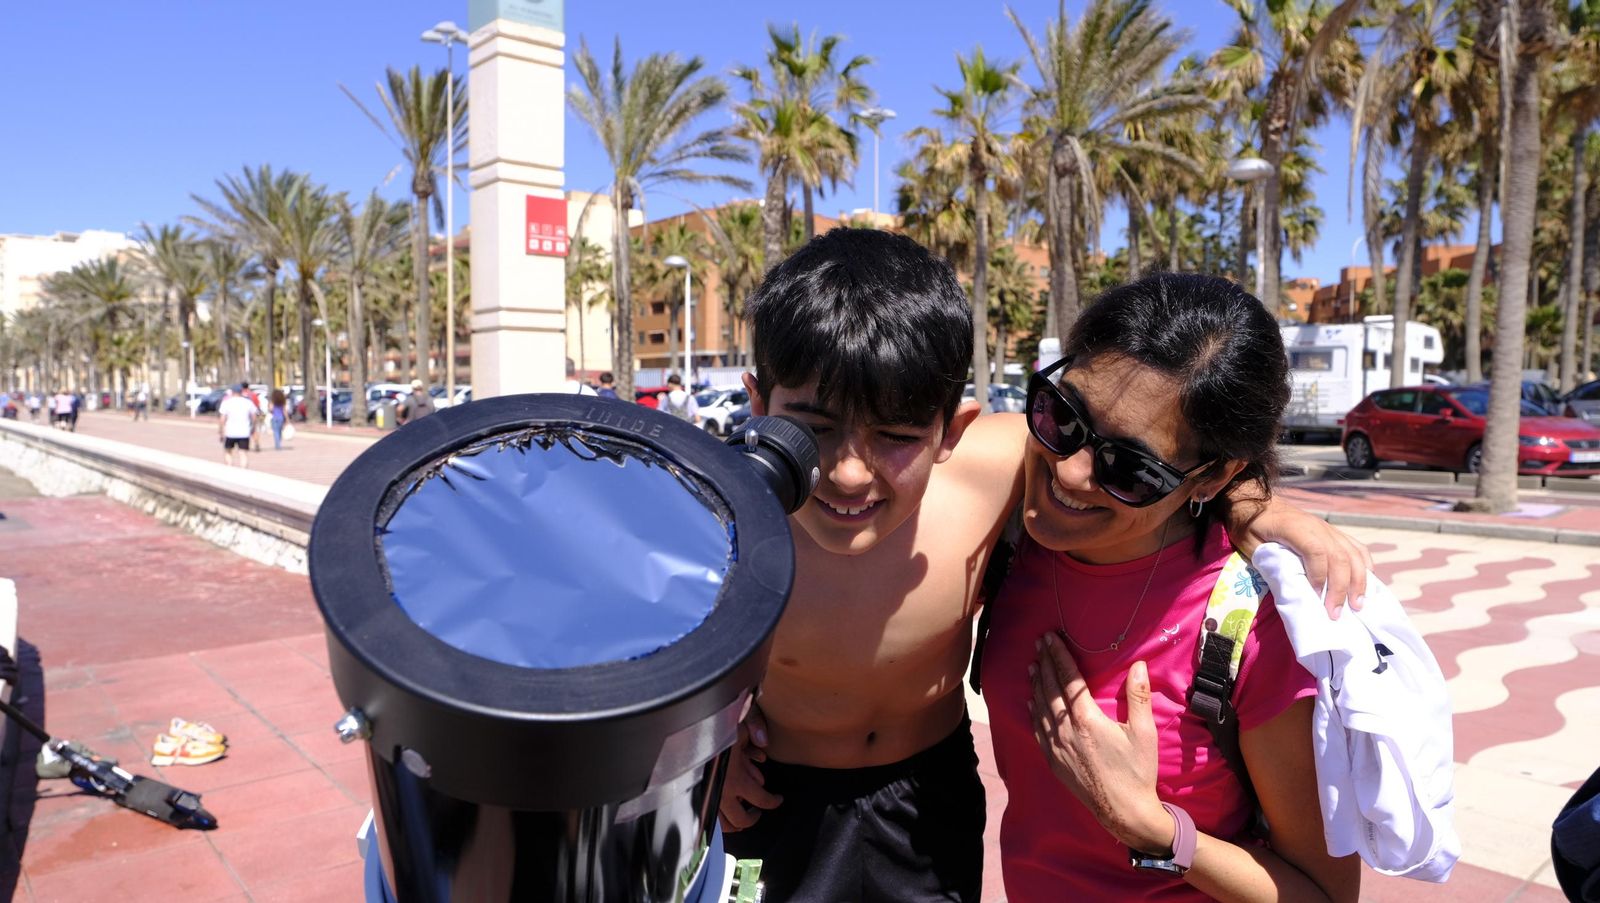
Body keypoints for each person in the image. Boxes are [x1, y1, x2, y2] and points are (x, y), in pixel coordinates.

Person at [716, 230, 1367, 902]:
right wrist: (702, 748)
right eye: (1060, 418)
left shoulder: (992, 471)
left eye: (897, 436)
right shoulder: (717, 513)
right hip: (768, 797)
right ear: (758, 403)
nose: (850, 470)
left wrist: (1255, 505)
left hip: (924, 803)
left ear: (952, 431)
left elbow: (1167, 444)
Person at [980, 274, 1358, 899]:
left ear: (1214, 476)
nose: (1070, 473)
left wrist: (1151, 827)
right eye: (1062, 415)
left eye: (1129, 469)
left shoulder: (1252, 623)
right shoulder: (1009, 528)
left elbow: (1325, 895)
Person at [217, 387, 257, 468]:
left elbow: (222, 419)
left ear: (232, 392)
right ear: (241, 392)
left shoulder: (227, 402)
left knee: (228, 452)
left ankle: (230, 467)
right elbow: (254, 417)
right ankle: (244, 471)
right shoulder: (247, 402)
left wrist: (221, 431)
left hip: (230, 432)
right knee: (243, 453)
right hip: (244, 431)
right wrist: (253, 427)